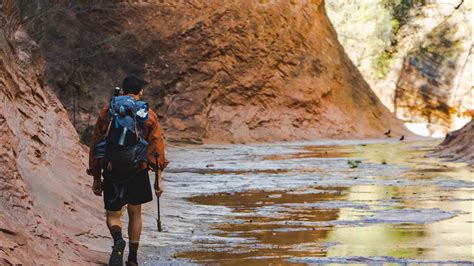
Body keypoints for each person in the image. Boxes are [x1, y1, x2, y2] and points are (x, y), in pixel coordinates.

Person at [87, 76, 168, 266]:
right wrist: (158, 179)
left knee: (113, 214)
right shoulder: (147, 113)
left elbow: (96, 146)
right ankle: (132, 259)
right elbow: (156, 148)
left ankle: (118, 240)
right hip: (137, 169)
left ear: (122, 90)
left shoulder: (108, 111)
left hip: (112, 169)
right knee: (135, 212)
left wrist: (96, 177)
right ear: (141, 92)